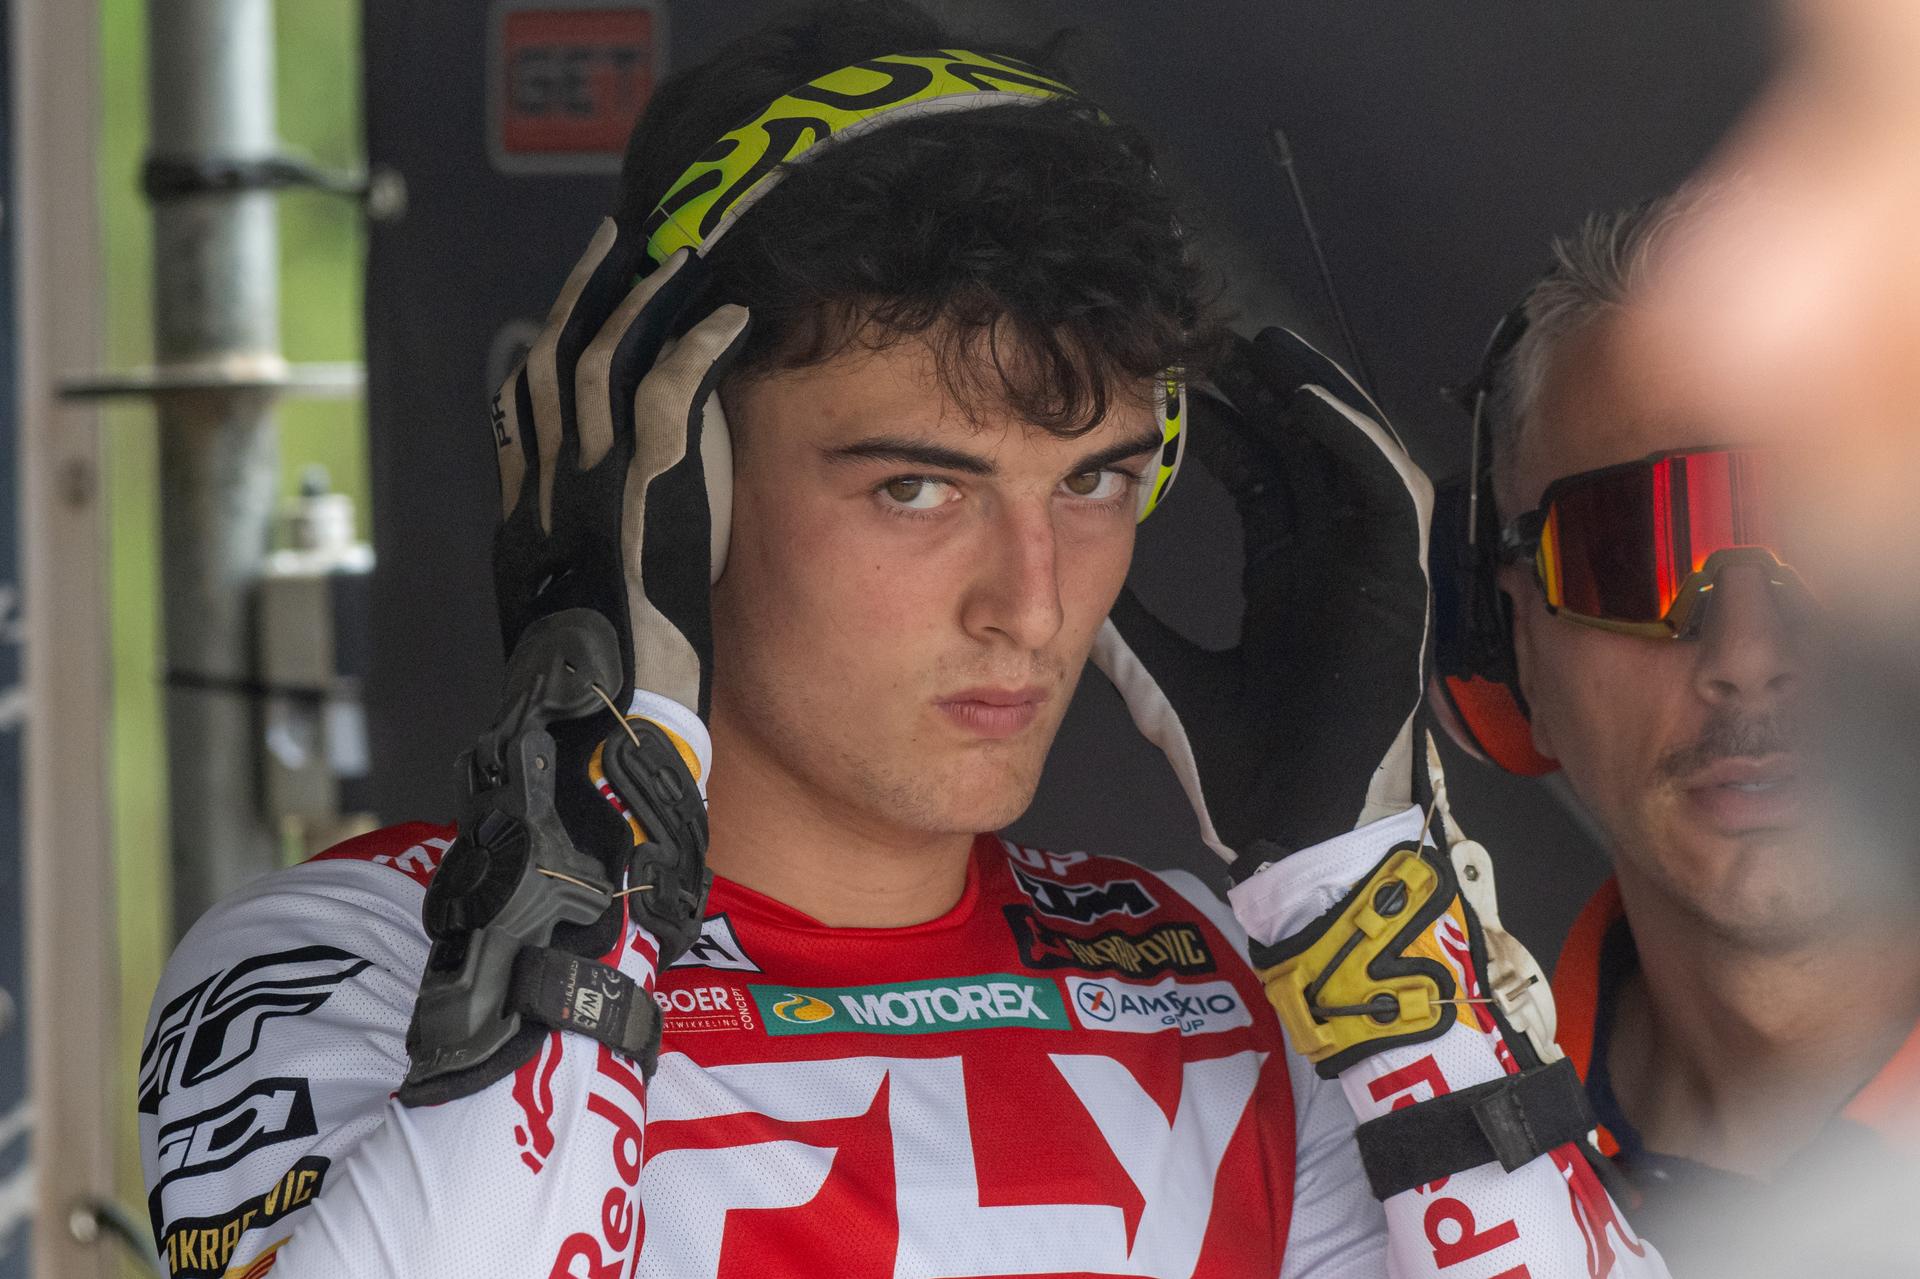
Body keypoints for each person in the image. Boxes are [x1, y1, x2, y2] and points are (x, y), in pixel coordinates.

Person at [139, 4, 1659, 1276]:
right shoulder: (355, 955)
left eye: (1095, 481)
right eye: (918, 487)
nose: (1032, 601)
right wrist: (586, 841)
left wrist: (1372, 909)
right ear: (675, 480)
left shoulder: (1214, 982)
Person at [1442, 195, 1920, 1273]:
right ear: (1507, 649)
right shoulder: (1360, 1178)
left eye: (1835, 536)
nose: (1747, 654)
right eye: (1633, 554)